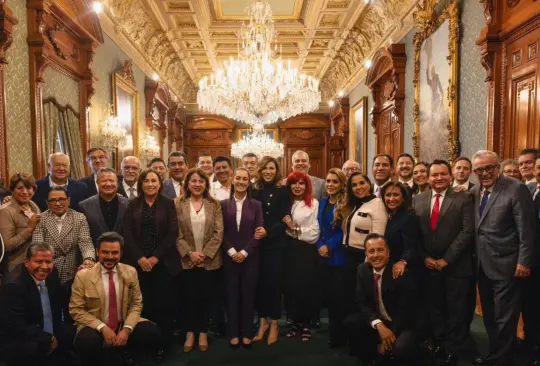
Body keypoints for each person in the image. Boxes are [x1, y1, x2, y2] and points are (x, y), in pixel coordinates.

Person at [471, 150, 536, 366]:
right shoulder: (474, 191)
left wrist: (524, 261)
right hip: (482, 264)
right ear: (474, 172)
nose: (485, 172)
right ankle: (497, 352)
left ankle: (501, 359)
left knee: (505, 316)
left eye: (489, 167)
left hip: (508, 264)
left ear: (498, 167)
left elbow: (527, 229)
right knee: (489, 314)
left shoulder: (515, 188)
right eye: (480, 169)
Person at [413, 160, 475, 365]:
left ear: (450, 176)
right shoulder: (417, 199)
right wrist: (425, 258)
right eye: (434, 175)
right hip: (428, 266)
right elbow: (415, 235)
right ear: (428, 178)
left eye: (442, 174)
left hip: (456, 266)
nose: (438, 178)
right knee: (434, 308)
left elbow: (467, 232)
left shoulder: (464, 198)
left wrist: (446, 260)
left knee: (456, 310)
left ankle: (454, 349)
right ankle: (439, 343)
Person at [70, 232, 160, 366]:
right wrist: (102, 328)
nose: (110, 257)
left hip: (122, 323)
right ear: (97, 252)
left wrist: (127, 329)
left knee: (150, 331)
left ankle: (130, 355)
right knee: (87, 341)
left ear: (121, 253)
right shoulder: (83, 276)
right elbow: (76, 310)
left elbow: (136, 304)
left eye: (115, 253)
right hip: (95, 325)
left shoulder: (130, 271)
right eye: (105, 252)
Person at [122, 167, 180, 361]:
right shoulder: (133, 204)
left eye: (154, 181)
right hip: (138, 264)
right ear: (141, 184)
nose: (150, 184)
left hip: (162, 264)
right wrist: (140, 258)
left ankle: (163, 346)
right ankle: (143, 345)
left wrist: (155, 257)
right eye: (146, 181)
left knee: (163, 306)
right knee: (141, 306)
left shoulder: (169, 204)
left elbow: (173, 233)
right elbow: (127, 232)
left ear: (160, 184)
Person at [346, 234, 417, 365]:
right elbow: (362, 302)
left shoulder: (400, 273)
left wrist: (388, 335)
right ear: (366, 255)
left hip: (403, 323)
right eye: (371, 251)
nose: (376, 255)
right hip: (381, 320)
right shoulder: (362, 270)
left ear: (388, 253)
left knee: (399, 350)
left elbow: (405, 312)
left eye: (380, 250)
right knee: (352, 322)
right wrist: (379, 325)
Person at [176, 168, 224, 352]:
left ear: (206, 184)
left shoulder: (214, 204)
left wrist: (203, 254)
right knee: (188, 298)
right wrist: (190, 254)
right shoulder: (178, 203)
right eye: (193, 181)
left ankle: (203, 332)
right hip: (186, 261)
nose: (197, 184)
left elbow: (219, 232)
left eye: (201, 181)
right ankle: (190, 333)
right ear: (187, 184)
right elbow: (175, 233)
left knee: (206, 297)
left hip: (209, 261)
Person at [32, 186, 95, 323]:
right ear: (47, 203)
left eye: (61, 199)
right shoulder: (40, 218)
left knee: (72, 315)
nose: (58, 203)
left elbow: (85, 242)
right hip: (48, 272)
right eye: (53, 200)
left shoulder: (79, 218)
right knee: (50, 314)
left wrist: (88, 259)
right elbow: (38, 247)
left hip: (73, 273)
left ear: (69, 200)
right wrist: (45, 266)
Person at [0, 243, 65, 366]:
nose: (44, 266)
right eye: (39, 261)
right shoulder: (13, 285)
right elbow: (16, 324)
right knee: (31, 347)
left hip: (41, 328)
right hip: (17, 336)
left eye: (48, 262)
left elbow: (56, 307)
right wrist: (49, 338)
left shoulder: (52, 273)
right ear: (26, 262)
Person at [221, 168, 263, 349]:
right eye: (237, 178)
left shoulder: (257, 205)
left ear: (249, 182)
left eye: (244, 179)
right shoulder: (222, 204)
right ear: (232, 179)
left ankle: (247, 333)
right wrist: (231, 251)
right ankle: (233, 333)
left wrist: (244, 252)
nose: (241, 181)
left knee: (248, 295)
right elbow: (219, 231)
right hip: (228, 257)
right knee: (231, 296)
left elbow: (258, 232)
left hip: (250, 257)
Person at [251, 156, 289, 345]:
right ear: (260, 170)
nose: (268, 171)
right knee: (260, 285)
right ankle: (262, 322)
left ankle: (274, 323)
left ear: (277, 170)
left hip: (276, 245)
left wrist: (268, 231)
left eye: (271, 168)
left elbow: (285, 218)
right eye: (265, 168)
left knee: (274, 285)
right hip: (257, 246)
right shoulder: (254, 190)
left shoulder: (282, 191)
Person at [342, 172, 387, 315]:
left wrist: (369, 264)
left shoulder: (377, 204)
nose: (358, 187)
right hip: (349, 256)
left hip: (364, 258)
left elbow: (378, 237)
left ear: (369, 184)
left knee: (362, 300)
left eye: (362, 183)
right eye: (354, 185)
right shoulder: (355, 204)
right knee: (350, 299)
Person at [283, 171, 320, 342]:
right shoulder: (285, 203)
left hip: (306, 251)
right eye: (294, 183)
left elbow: (314, 233)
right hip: (288, 250)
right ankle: (293, 322)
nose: (297, 187)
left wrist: (293, 231)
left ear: (307, 185)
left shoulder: (313, 203)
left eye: (301, 183)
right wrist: (294, 231)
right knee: (290, 288)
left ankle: (305, 324)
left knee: (306, 287)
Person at [317, 168, 347, 347]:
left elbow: (344, 229)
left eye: (335, 181)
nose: (330, 184)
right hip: (324, 256)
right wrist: (320, 245)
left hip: (340, 257)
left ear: (342, 184)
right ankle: (333, 333)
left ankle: (339, 337)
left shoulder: (346, 203)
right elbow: (319, 228)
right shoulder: (322, 202)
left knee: (339, 299)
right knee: (329, 297)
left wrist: (329, 246)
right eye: (328, 181)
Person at [0, 173, 41, 272]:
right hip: (17, 268)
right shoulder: (5, 211)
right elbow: (7, 245)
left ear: (34, 190)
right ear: (13, 190)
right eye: (20, 188)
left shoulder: (34, 206)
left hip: (36, 265)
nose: (25, 192)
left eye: (28, 188)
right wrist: (29, 230)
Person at [79, 168, 129, 246]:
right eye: (104, 181)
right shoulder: (84, 206)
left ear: (117, 183)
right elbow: (83, 236)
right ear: (97, 183)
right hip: (95, 254)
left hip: (125, 254)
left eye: (111, 181)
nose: (108, 184)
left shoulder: (128, 204)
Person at [381, 182, 418, 274]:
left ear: (403, 198)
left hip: (402, 269)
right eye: (388, 195)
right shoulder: (388, 215)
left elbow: (411, 247)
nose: (391, 199)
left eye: (396, 195)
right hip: (387, 266)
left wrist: (403, 261)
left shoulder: (409, 217)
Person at [524, 154, 540, 361]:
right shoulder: (530, 190)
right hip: (531, 258)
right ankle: (531, 343)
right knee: (530, 304)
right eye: (538, 167)